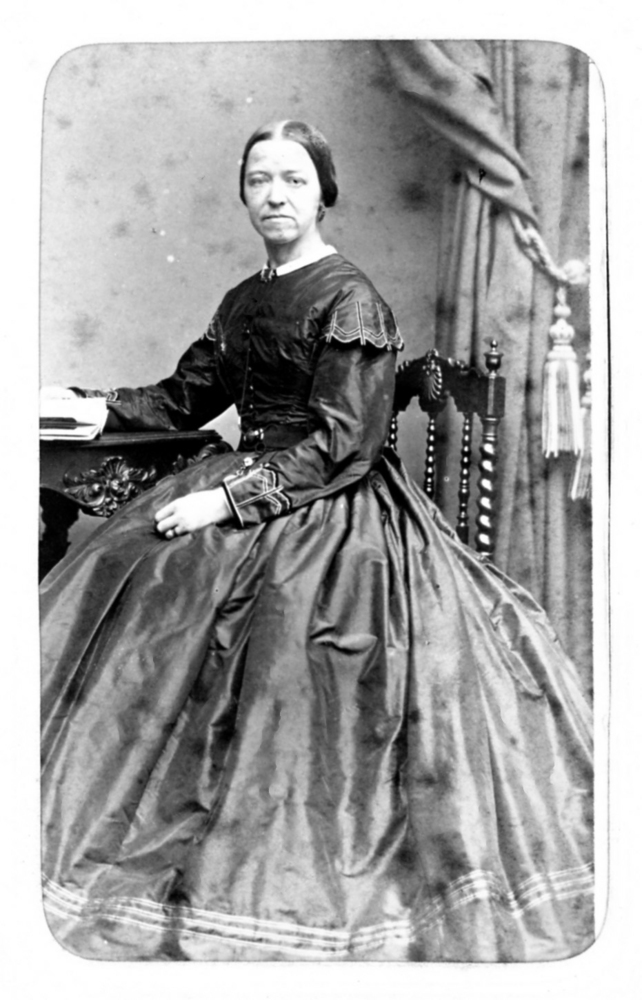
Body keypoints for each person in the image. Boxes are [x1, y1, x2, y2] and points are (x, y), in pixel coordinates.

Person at [40, 120, 594, 962]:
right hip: (254, 477)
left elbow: (345, 445)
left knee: (272, 612)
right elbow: (184, 398)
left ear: (323, 194)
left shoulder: (350, 298)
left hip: (332, 502)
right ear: (244, 193)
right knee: (133, 566)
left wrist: (227, 500)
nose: (275, 196)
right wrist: (90, 407)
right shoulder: (243, 299)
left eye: (293, 180)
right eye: (259, 179)